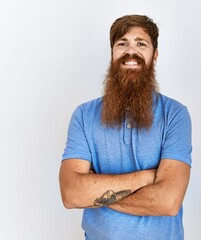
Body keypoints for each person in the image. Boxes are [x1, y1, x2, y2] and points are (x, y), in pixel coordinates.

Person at [59, 14, 192, 240]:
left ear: (155, 55)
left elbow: (168, 201)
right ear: (112, 54)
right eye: (122, 43)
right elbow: (71, 194)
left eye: (141, 43)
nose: (131, 51)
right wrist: (145, 179)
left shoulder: (175, 114)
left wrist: (94, 192)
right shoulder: (84, 115)